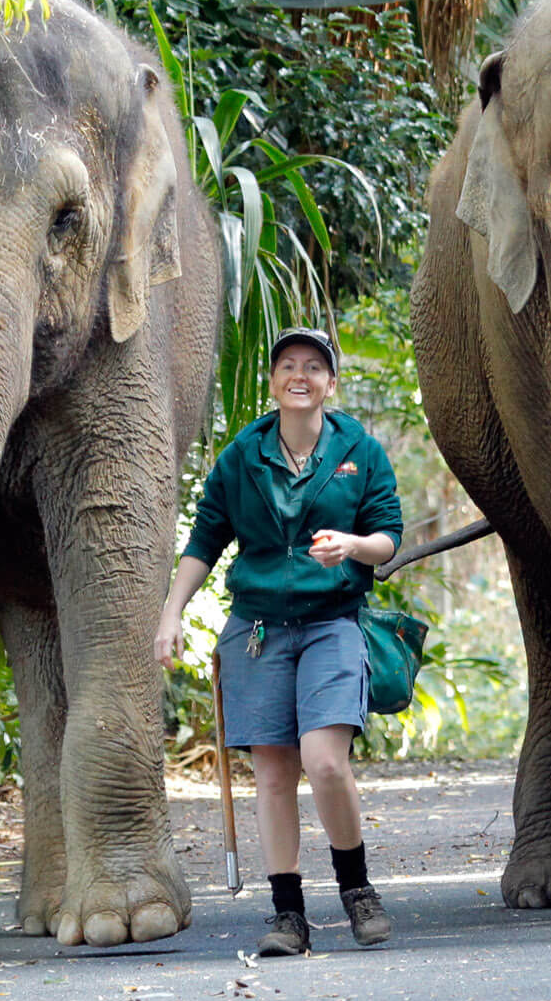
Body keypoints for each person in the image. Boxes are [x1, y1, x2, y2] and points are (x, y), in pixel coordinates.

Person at [154, 326, 404, 955]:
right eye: (288, 365)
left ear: (330, 384)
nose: (300, 375)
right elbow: (206, 539)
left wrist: (350, 546)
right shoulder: (244, 453)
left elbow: (388, 537)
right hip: (258, 631)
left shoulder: (360, 450)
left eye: (313, 367)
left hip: (332, 624)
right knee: (272, 775)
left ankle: (357, 891)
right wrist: (170, 614)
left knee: (324, 762)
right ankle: (287, 914)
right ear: (273, 381)